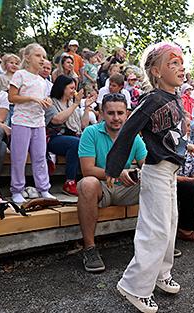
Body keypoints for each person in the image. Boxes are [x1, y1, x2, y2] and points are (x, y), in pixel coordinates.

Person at [105, 42, 192, 313]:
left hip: (171, 171)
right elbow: (128, 131)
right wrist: (113, 168)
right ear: (155, 71)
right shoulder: (152, 99)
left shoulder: (175, 97)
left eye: (181, 62)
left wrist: (185, 145)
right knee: (154, 229)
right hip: (155, 171)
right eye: (172, 63)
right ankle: (134, 286)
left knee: (170, 225)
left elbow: (169, 134)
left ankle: (161, 273)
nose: (180, 67)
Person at [77, 93, 146, 272]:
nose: (116, 118)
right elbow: (87, 169)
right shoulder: (90, 132)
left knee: (157, 182)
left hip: (126, 188)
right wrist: (116, 172)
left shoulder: (133, 136)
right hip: (102, 187)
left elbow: (147, 165)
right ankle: (90, 249)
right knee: (87, 184)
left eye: (120, 113)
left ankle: (158, 244)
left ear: (127, 114)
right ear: (101, 113)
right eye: (111, 113)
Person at [8, 43, 55, 204]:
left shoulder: (43, 81)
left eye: (44, 56)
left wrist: (46, 101)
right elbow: (12, 98)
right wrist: (31, 98)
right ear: (27, 57)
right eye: (38, 55)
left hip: (39, 123)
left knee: (40, 157)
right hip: (21, 121)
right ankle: (17, 190)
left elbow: (44, 99)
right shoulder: (20, 74)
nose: (42, 59)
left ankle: (44, 189)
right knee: (19, 157)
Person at [45, 75, 96, 195]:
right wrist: (75, 104)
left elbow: (83, 125)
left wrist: (87, 107)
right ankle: (70, 182)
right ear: (62, 88)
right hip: (53, 137)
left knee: (90, 141)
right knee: (76, 143)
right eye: (71, 88)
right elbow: (56, 120)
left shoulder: (72, 104)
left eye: (74, 88)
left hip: (72, 136)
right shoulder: (50, 101)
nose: (74, 91)